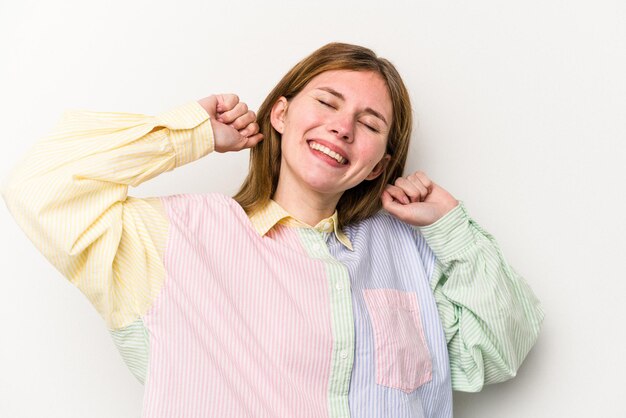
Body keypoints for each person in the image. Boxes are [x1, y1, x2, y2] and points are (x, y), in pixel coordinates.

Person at [2, 42, 543, 417]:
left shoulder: (408, 253)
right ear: (280, 114)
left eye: (370, 123)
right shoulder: (174, 240)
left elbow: (497, 351)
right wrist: (192, 134)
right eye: (328, 103)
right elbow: (41, 187)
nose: (343, 126)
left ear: (380, 164)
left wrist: (451, 228)